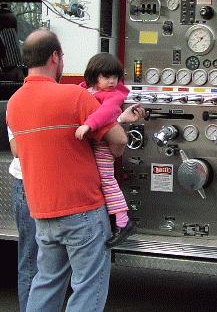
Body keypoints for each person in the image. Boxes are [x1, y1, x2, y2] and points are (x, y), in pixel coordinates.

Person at [7, 29, 145, 312]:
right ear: (55, 57)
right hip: (83, 210)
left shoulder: (14, 103)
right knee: (88, 287)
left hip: (43, 211)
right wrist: (123, 122)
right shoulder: (74, 96)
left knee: (46, 282)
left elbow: (19, 151)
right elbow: (118, 141)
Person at [75, 53, 134, 248]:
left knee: (107, 180)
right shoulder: (86, 90)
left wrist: (88, 126)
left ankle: (123, 222)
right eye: (106, 76)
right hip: (93, 143)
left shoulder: (113, 96)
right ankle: (111, 219)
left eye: (115, 77)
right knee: (97, 181)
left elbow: (106, 112)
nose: (111, 81)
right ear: (93, 76)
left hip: (102, 145)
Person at [7, 128, 38, 312]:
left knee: (53, 264)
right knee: (30, 259)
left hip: (56, 183)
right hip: (29, 183)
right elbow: (18, 149)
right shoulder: (17, 103)